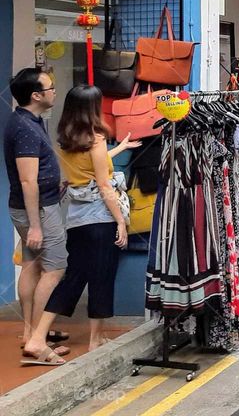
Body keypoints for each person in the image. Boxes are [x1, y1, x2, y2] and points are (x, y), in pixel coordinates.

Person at [22, 85, 140, 363]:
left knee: (74, 277)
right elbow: (103, 184)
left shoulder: (68, 139)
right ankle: (90, 340)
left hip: (77, 220)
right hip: (100, 218)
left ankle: (41, 337)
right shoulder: (96, 139)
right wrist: (120, 222)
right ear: (93, 108)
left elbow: (90, 167)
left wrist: (120, 148)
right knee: (101, 277)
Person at [4, 68, 68, 366]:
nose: (55, 91)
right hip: (39, 209)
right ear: (36, 95)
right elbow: (28, 180)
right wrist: (36, 225)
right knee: (55, 269)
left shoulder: (29, 120)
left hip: (38, 205)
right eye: (50, 87)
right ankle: (37, 341)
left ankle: (31, 331)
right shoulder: (26, 129)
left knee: (31, 264)